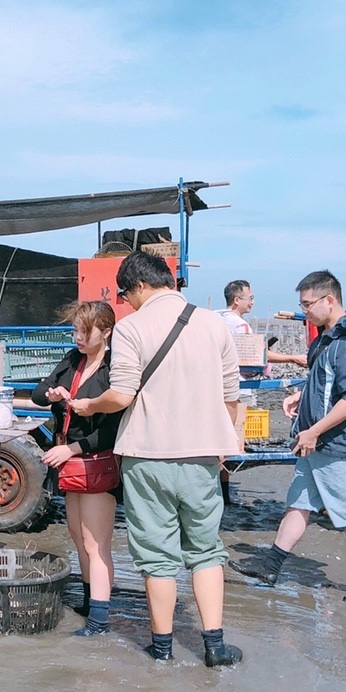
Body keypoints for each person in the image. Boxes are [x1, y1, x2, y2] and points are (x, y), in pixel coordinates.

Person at [72, 252, 243, 666]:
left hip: (148, 455)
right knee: (206, 551)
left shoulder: (131, 328)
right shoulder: (213, 323)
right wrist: (220, 446)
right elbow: (232, 397)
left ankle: (162, 648)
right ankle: (215, 646)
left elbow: (122, 395)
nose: (127, 303)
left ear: (140, 286)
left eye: (127, 294)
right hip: (202, 454)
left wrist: (90, 404)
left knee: (157, 555)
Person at [229, 269, 346, 603]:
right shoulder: (325, 339)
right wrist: (300, 399)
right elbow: (323, 382)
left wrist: (315, 430)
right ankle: (271, 566)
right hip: (313, 443)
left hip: (337, 446)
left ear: (329, 300)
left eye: (308, 304)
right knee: (298, 506)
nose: (305, 311)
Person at [31, 300, 121, 637]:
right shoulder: (73, 360)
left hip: (96, 458)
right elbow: (39, 392)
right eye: (75, 331)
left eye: (85, 331)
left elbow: (112, 429)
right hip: (70, 459)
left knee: (96, 542)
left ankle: (99, 618)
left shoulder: (114, 368)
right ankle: (89, 599)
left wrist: (71, 448)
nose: (78, 337)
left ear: (106, 331)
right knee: (76, 533)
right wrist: (53, 395)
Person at [216, 279, 306, 492]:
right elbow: (256, 356)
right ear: (237, 300)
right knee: (234, 441)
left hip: (218, 384)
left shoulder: (217, 319)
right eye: (251, 298)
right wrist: (294, 358)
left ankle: (222, 490)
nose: (253, 303)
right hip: (238, 387)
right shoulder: (239, 325)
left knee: (221, 439)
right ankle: (224, 490)